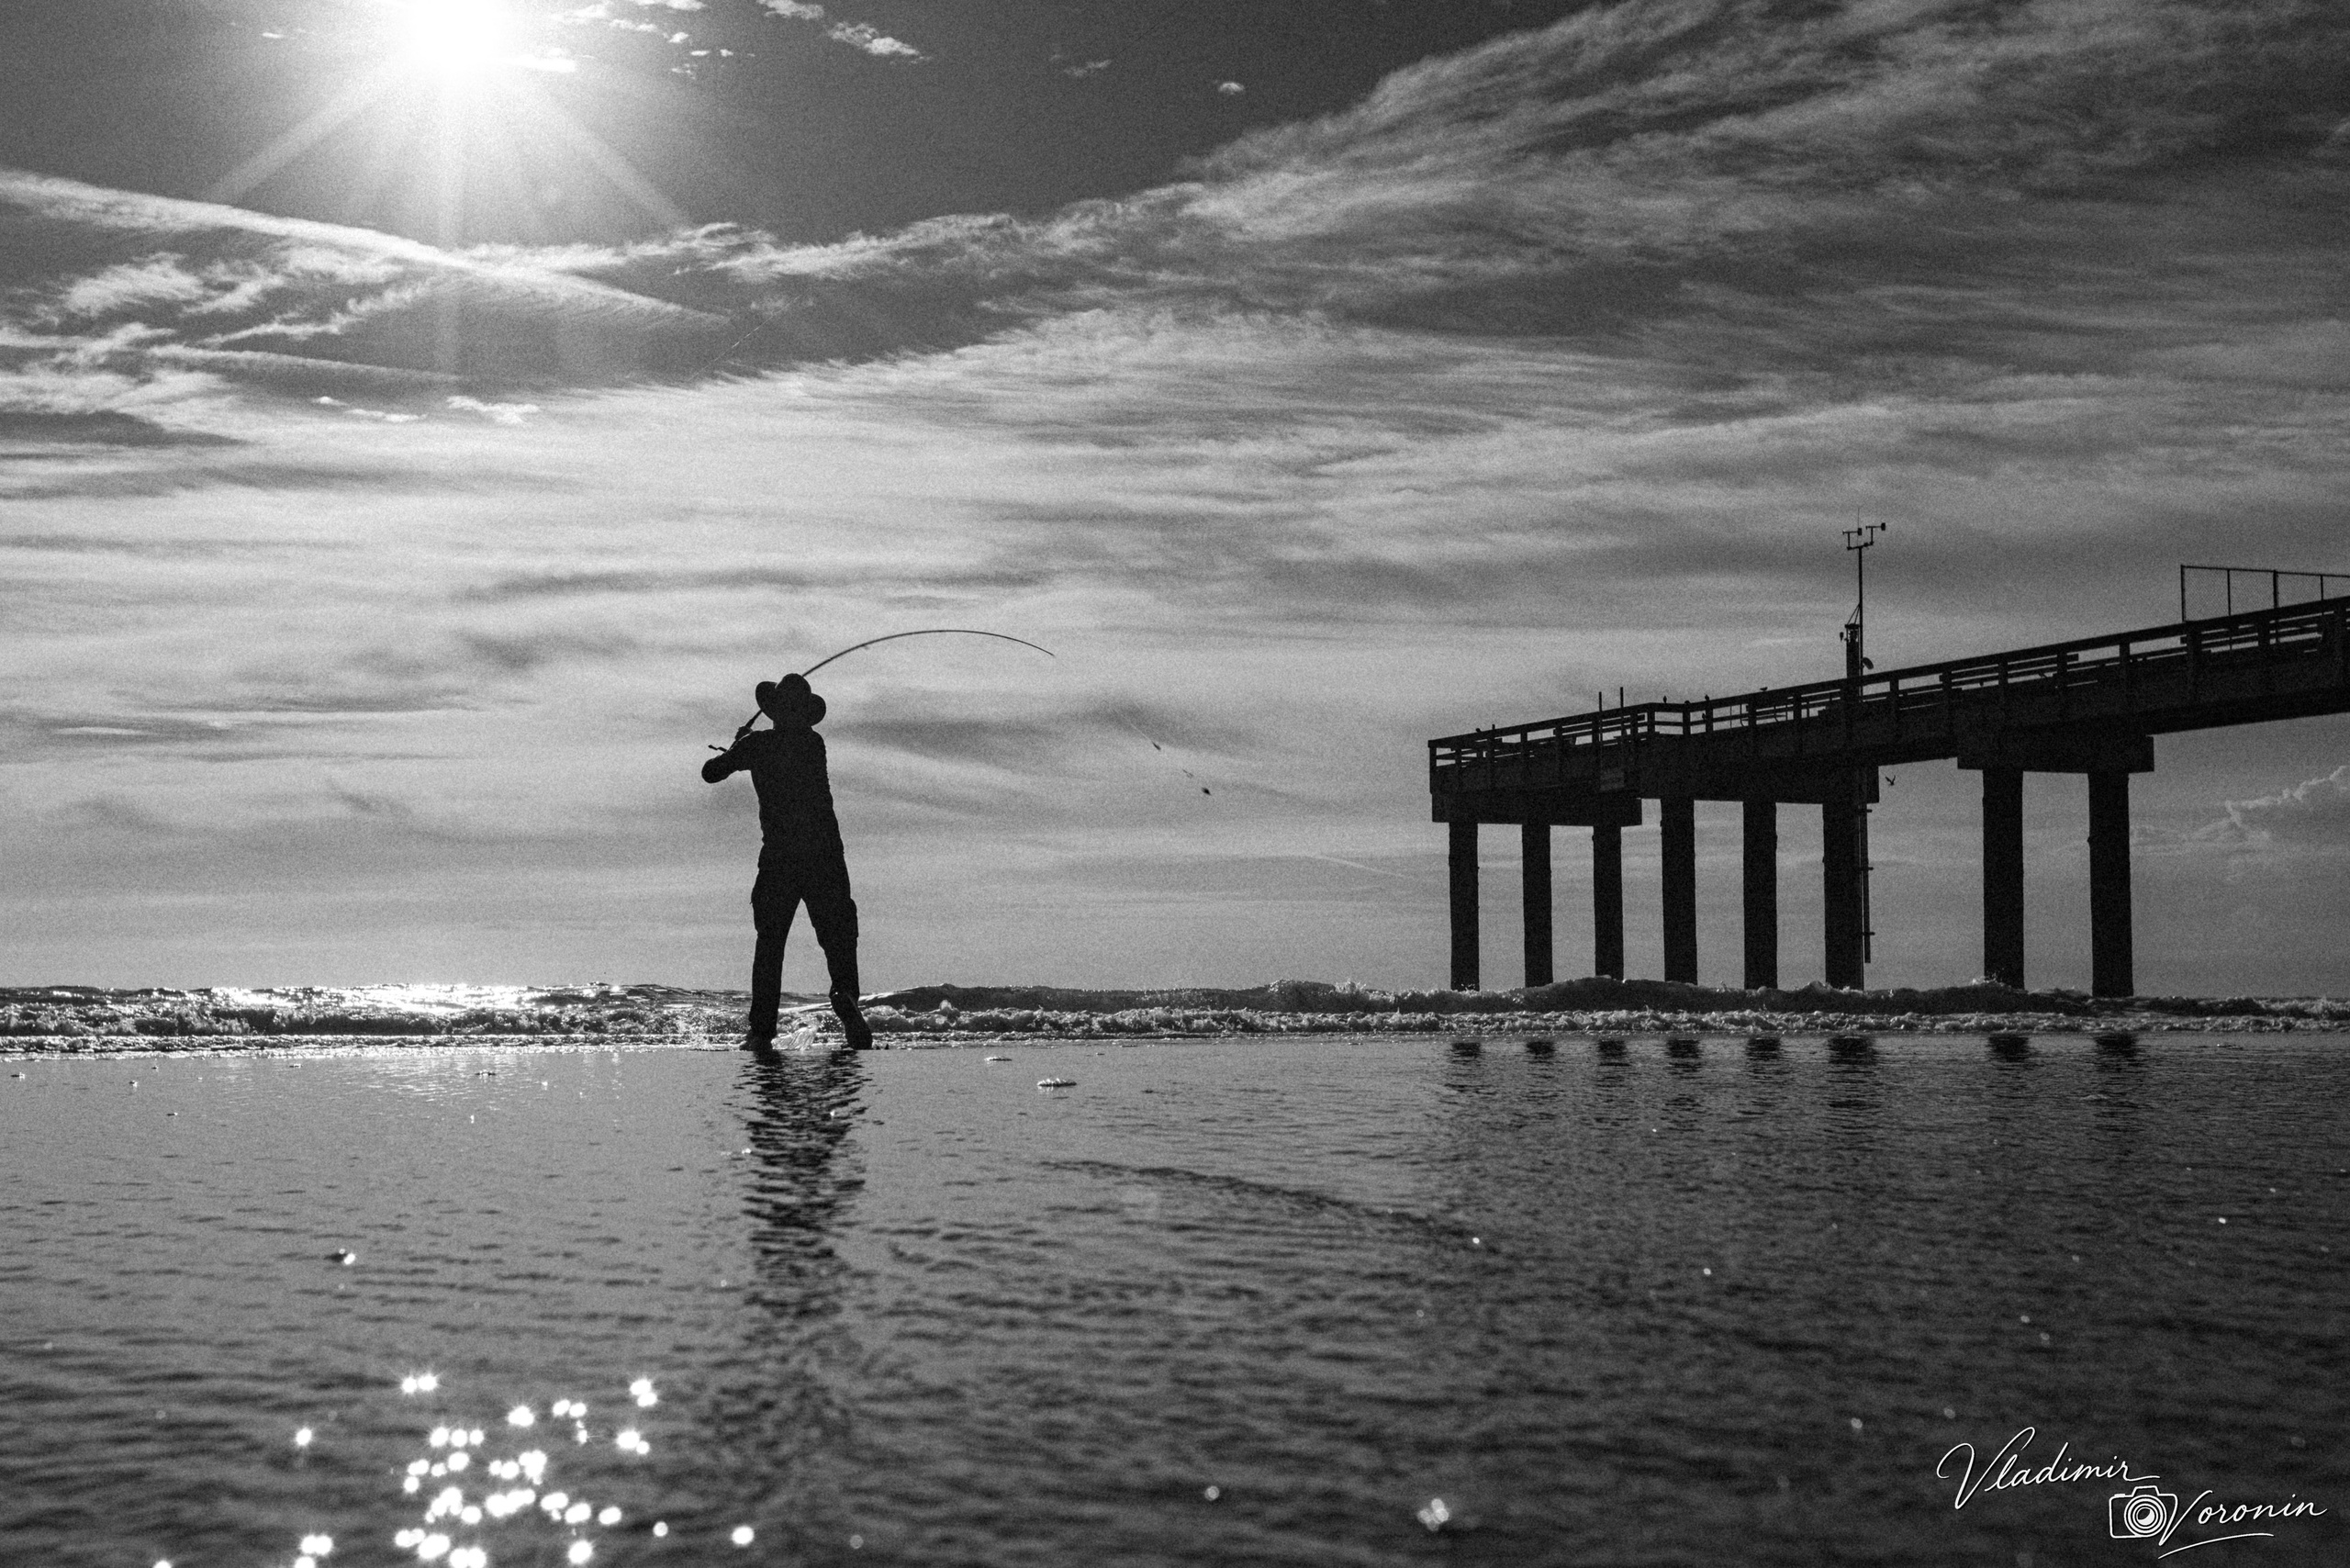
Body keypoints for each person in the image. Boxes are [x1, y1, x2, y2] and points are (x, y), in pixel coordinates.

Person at [701, 673, 873, 1051]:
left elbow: (710, 773)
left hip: (779, 857)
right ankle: (846, 998)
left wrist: (738, 747)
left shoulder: (758, 745)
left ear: (774, 710)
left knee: (770, 942)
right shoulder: (813, 743)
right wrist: (746, 748)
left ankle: (761, 1031)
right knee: (838, 936)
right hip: (825, 854)